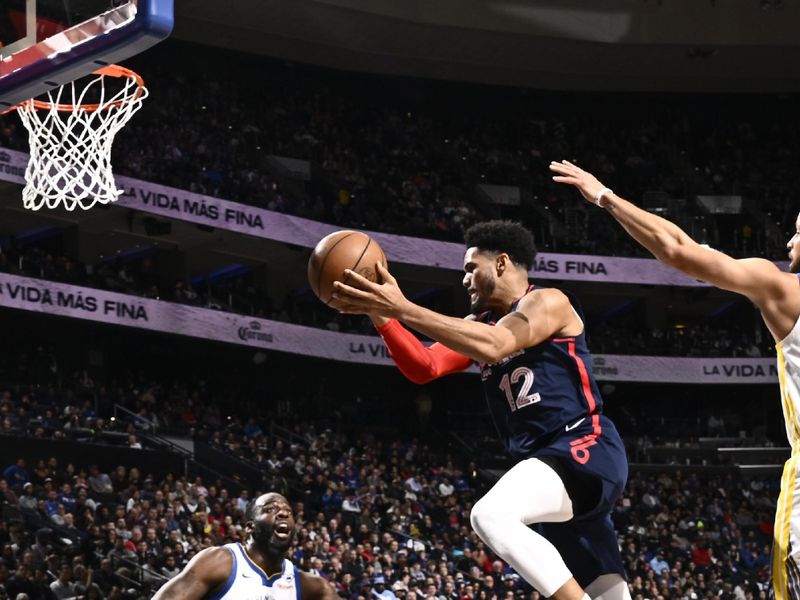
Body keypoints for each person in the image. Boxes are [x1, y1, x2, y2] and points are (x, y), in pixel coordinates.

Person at [332, 220, 630, 600]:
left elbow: (496, 345)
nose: (464, 279)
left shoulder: (547, 301)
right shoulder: (480, 324)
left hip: (583, 446)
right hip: (548, 470)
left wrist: (402, 306)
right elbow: (425, 366)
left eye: (471, 268)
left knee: (490, 516)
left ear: (502, 263)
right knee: (610, 593)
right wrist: (382, 314)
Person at [549, 158, 800, 599]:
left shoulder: (783, 288)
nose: (790, 238)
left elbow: (678, 250)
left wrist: (604, 196)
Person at [151, 492, 336, 600]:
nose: (283, 513)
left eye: (288, 511)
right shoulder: (219, 563)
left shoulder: (309, 586)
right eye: (271, 509)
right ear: (250, 527)